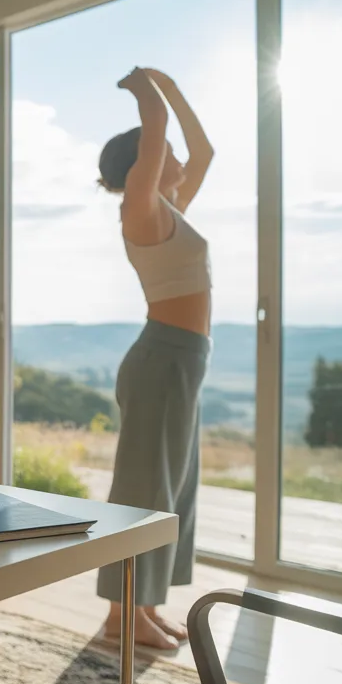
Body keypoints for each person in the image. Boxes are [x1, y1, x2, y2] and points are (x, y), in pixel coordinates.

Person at [94, 67, 214, 650]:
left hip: (185, 362)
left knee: (172, 493)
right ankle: (119, 618)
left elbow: (206, 149)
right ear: (143, 163)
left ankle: (142, 608)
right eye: (162, 153)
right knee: (145, 491)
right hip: (162, 360)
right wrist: (143, 87)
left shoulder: (173, 206)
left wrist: (172, 84)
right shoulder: (139, 210)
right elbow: (157, 127)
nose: (176, 160)